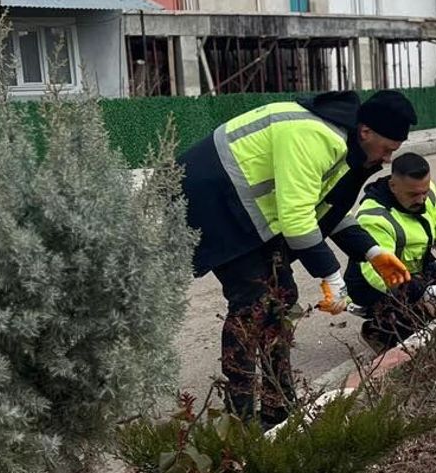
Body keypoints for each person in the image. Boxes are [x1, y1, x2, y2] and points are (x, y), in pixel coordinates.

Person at [179, 90, 417, 426]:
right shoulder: (316, 136)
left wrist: (371, 251)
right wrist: (331, 276)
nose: (389, 159)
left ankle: (278, 407)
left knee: (281, 297)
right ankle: (240, 423)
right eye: (389, 149)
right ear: (366, 132)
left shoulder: (345, 143)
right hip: (213, 204)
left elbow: (325, 208)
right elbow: (296, 218)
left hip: (245, 209)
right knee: (252, 304)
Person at [331, 152, 436, 349]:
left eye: (424, 192)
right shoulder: (374, 217)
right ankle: (378, 331)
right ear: (393, 186)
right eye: (413, 195)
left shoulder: (424, 193)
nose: (421, 199)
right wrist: (423, 293)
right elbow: (380, 274)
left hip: (417, 270)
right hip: (374, 283)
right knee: (417, 322)